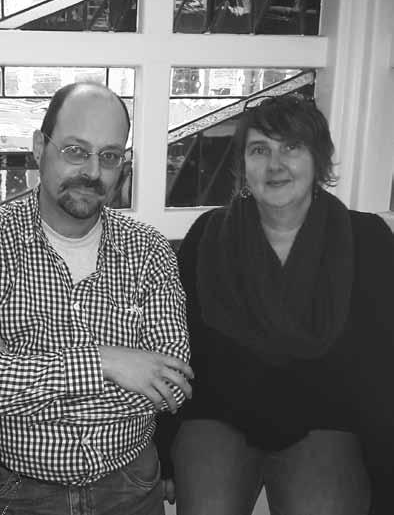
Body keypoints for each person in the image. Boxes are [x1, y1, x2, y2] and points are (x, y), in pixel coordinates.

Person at [0, 82, 193, 515]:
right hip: (10, 491)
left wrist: (12, 370)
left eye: (109, 156)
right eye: (76, 150)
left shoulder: (149, 250)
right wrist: (106, 362)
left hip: (128, 487)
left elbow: (170, 386)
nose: (93, 172)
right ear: (40, 147)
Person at [157, 95, 394, 515]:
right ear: (242, 164)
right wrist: (163, 452)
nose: (275, 164)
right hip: (218, 416)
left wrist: (384, 477)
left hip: (327, 421)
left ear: (318, 158)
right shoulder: (208, 235)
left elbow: (382, 366)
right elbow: (176, 349)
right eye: (259, 149)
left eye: (292, 147)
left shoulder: (367, 239)